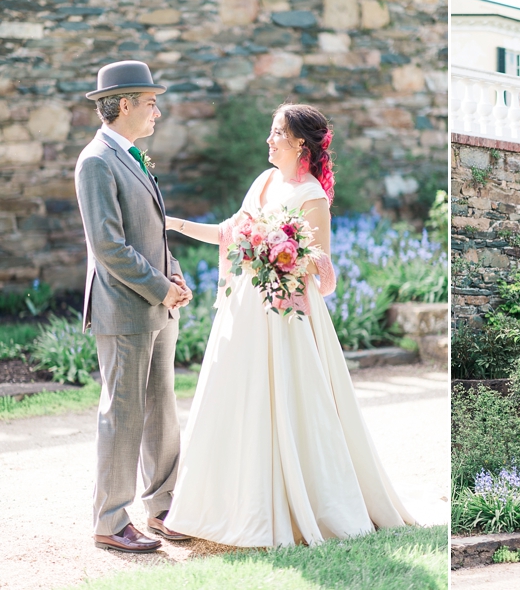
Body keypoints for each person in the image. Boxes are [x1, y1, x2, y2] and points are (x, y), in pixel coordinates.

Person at [163, 103, 415, 547]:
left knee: (288, 403)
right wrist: (175, 224)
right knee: (233, 399)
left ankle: (288, 505)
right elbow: (228, 232)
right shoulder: (262, 182)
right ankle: (210, 510)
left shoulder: (313, 197)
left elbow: (320, 268)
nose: (268, 139)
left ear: (300, 142)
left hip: (285, 315)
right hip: (245, 311)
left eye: (276, 132)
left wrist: (277, 251)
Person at [75, 60, 194, 554]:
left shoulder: (132, 155)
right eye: (150, 103)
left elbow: (151, 232)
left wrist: (175, 276)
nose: (158, 112)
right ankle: (109, 520)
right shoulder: (96, 161)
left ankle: (162, 506)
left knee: (160, 407)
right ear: (124, 105)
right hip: (125, 308)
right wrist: (158, 287)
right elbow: (108, 246)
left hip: (156, 303)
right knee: (122, 414)